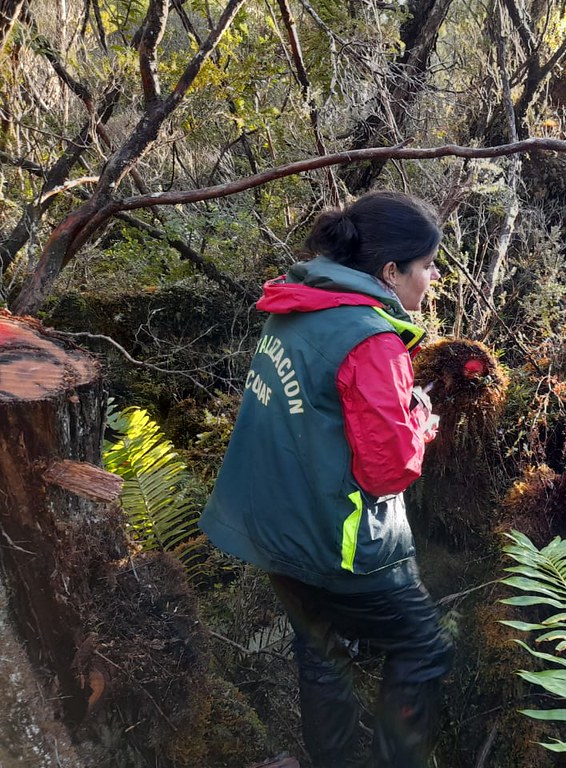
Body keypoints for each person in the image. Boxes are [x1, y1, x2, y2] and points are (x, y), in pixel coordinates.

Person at [200, 191, 451, 768]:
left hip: (271, 530)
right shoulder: (371, 339)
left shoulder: (298, 305)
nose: (431, 279)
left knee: (322, 650)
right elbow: (389, 470)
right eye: (427, 266)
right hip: (333, 543)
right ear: (391, 271)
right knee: (423, 648)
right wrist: (419, 420)